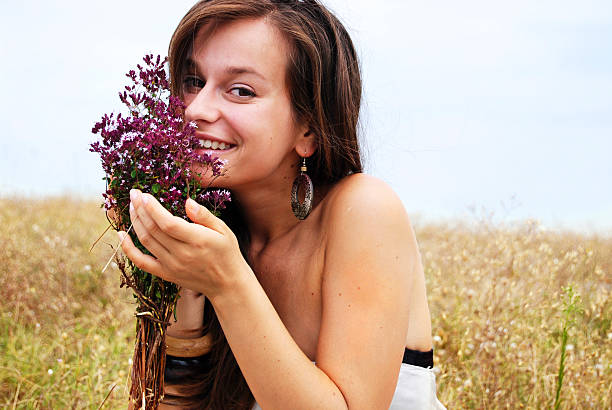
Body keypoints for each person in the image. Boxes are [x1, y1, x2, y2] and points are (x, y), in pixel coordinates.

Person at [119, 0, 445, 408]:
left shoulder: (364, 209)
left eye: (240, 90)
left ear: (308, 128)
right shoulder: (205, 232)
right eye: (192, 80)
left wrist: (227, 283)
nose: (196, 110)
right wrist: (187, 298)